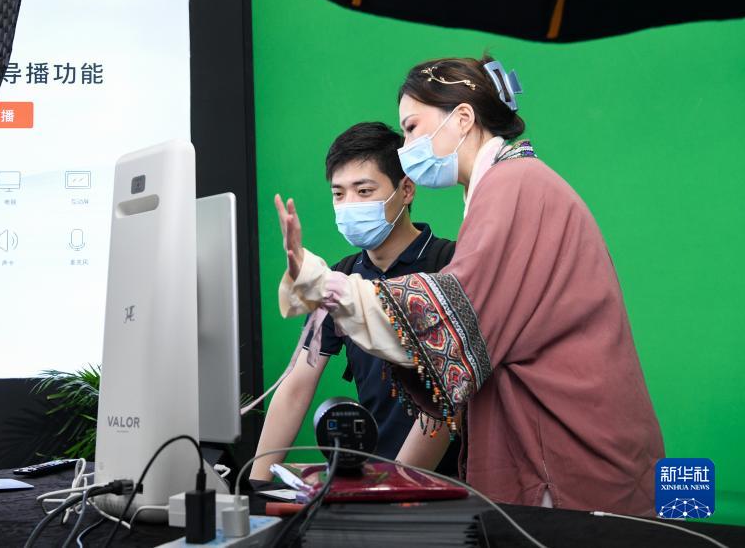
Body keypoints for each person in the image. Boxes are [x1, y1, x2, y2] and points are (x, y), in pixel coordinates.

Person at [274, 56, 664, 515]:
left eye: (412, 128)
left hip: (567, 459)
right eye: (338, 193)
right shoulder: (510, 183)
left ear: (462, 118)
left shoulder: (513, 185)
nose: (406, 148)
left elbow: (451, 321)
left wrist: (325, 284)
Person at [250, 122, 459, 481]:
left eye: (364, 191)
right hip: (376, 477)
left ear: (406, 189)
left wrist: (395, 484)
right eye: (339, 194)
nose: (350, 205)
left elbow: (446, 401)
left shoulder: (450, 265)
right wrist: (256, 482)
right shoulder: (341, 277)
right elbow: (298, 384)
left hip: (450, 483)